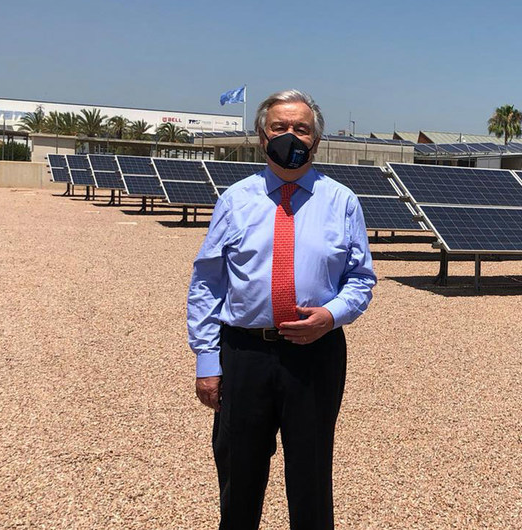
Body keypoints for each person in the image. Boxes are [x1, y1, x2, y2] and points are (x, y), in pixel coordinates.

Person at [187, 89, 376, 530]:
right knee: (239, 474)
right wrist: (207, 360)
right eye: (279, 127)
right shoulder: (235, 200)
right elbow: (208, 282)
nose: (290, 135)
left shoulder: (341, 201)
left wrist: (332, 315)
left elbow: (361, 278)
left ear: (316, 141)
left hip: (315, 355)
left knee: (311, 477)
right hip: (245, 354)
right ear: (261, 137)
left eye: (301, 128)